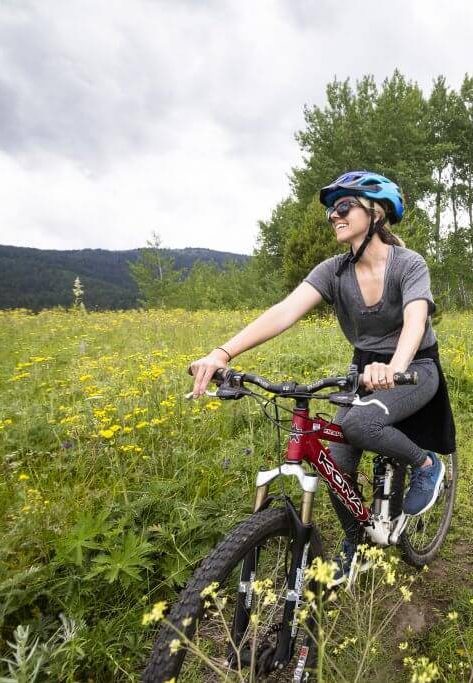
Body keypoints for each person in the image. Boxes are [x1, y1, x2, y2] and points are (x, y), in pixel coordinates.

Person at [187, 170, 456, 579]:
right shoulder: (334, 271)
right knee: (333, 459)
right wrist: (222, 353)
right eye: (332, 210)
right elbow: (284, 311)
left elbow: (415, 320)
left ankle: (425, 465)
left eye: (344, 206)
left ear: (376, 213)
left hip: (414, 368)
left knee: (362, 423)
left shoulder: (408, 264)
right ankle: (356, 540)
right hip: (363, 371)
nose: (334, 215)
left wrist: (395, 368)